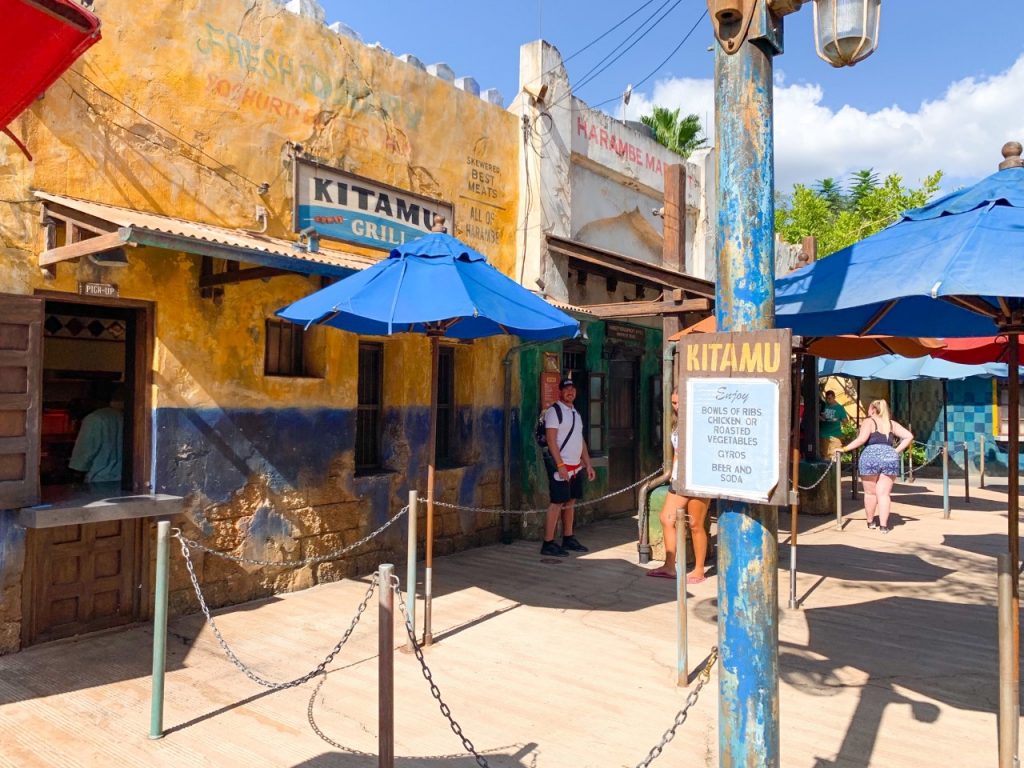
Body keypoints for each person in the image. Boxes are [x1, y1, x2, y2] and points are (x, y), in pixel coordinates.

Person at [648, 391, 711, 583]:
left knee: (695, 524)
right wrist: (673, 473)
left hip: (699, 477)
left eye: (679, 402)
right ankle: (670, 566)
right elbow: (676, 451)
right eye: (674, 402)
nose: (676, 406)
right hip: (679, 477)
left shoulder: (702, 421)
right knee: (667, 518)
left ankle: (699, 569)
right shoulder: (677, 423)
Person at [541, 377, 596, 557]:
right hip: (562, 466)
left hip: (575, 467)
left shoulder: (575, 413)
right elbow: (551, 440)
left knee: (571, 501)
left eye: (572, 389)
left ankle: (568, 537)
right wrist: (560, 464)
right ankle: (548, 542)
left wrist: (587, 464)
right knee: (556, 503)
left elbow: (580, 440)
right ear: (560, 392)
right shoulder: (554, 412)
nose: (569, 392)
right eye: (566, 389)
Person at [839, 399, 912, 533]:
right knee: (884, 494)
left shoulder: (869, 421)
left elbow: (861, 439)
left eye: (868, 408)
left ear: (873, 409)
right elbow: (909, 436)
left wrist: (844, 449)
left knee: (870, 493)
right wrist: (896, 451)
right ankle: (884, 526)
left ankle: (870, 521)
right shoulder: (891, 423)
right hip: (889, 457)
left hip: (870, 457)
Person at [69, 381, 125, 486]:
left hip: (99, 480)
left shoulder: (94, 419)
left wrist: (74, 477)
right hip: (122, 479)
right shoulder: (122, 416)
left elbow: (83, 455)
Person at [819, 389, 851, 461]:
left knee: (835, 457)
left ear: (834, 397)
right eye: (826, 398)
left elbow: (845, 421)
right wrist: (821, 417)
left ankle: (835, 471)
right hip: (824, 435)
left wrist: (839, 419)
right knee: (824, 456)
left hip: (835, 435)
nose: (828, 400)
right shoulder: (824, 406)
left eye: (829, 398)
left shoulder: (839, 408)